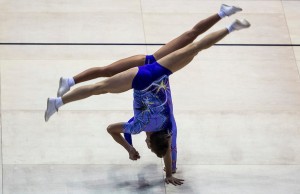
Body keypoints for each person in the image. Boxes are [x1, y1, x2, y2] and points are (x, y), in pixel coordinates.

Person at [45, 4, 250, 186]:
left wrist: (169, 172)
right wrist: (130, 150)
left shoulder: (168, 125)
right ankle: (59, 99)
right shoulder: (138, 127)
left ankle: (230, 24)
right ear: (150, 139)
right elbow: (113, 130)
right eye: (149, 145)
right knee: (101, 86)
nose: (146, 144)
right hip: (143, 77)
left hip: (160, 73)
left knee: (194, 46)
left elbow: (169, 148)